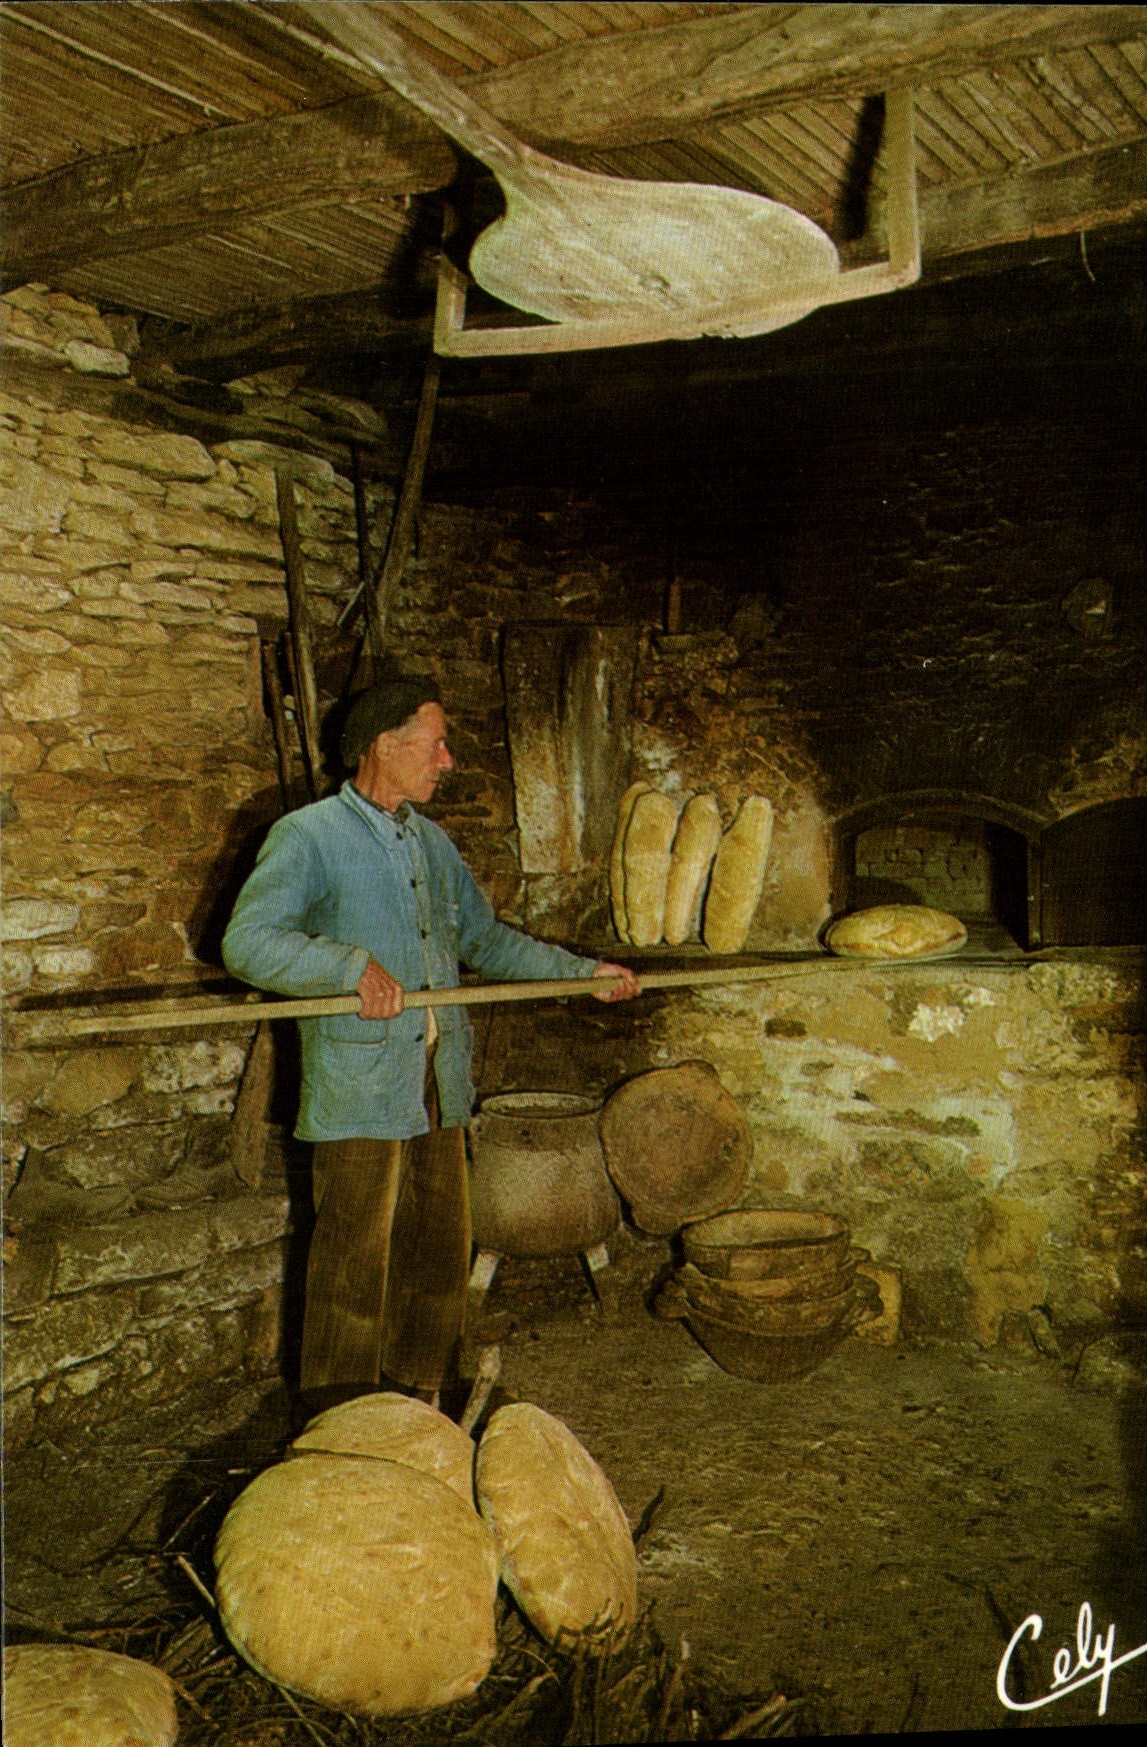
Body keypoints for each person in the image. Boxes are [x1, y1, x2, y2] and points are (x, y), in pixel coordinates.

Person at [222, 675, 639, 1416]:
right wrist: (347, 967)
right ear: (384, 744)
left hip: (437, 1079)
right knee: (352, 1260)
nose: (447, 760)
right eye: (436, 744)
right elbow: (247, 942)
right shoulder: (309, 836)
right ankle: (341, 1420)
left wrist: (582, 973)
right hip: (357, 1084)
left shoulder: (430, 843)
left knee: (438, 1249)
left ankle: (423, 1402)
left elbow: (484, 940)